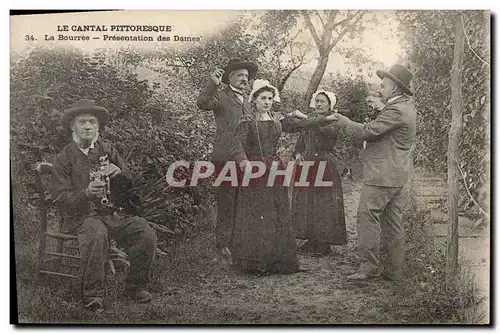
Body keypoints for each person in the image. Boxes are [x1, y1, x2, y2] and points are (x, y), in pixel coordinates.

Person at [51, 99, 157, 309]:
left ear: (98, 127)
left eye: (92, 122)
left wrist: (120, 174)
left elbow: (129, 182)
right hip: (81, 217)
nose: (88, 126)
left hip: (112, 214)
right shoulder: (63, 158)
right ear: (73, 126)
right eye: (83, 122)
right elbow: (61, 200)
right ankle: (93, 295)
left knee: (145, 232)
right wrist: (86, 193)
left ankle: (135, 286)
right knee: (97, 234)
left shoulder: (107, 149)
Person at [230, 79, 339, 274]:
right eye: (263, 98)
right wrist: (243, 161)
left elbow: (304, 124)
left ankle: (277, 260)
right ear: (254, 100)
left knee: (276, 212)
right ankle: (254, 261)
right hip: (254, 171)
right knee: (256, 214)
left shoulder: (276, 120)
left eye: (270, 98)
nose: (267, 102)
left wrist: (325, 119)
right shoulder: (247, 121)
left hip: (274, 169)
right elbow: (236, 144)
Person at [331, 64, 417, 281]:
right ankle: (395, 270)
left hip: (382, 175)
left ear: (396, 89)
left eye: (384, 85)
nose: (380, 88)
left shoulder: (396, 110)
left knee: (366, 217)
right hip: (396, 174)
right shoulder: (405, 107)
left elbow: (369, 131)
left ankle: (369, 267)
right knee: (392, 221)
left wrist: (345, 122)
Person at [196, 58, 258, 260]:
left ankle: (238, 240)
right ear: (229, 78)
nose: (244, 79)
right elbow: (203, 103)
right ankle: (223, 244)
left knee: (243, 198)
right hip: (225, 157)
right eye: (239, 75)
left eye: (246, 76)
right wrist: (212, 84)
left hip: (244, 157)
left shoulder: (249, 101)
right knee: (227, 200)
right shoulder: (221, 96)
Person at [292, 90, 347, 256]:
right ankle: (311, 239)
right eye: (317, 101)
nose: (319, 104)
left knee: (323, 203)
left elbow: (326, 133)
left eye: (323, 101)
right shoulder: (312, 120)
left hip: (323, 163)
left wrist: (304, 118)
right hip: (307, 164)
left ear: (330, 105)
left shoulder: (333, 120)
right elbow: (300, 142)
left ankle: (323, 242)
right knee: (307, 202)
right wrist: (297, 154)